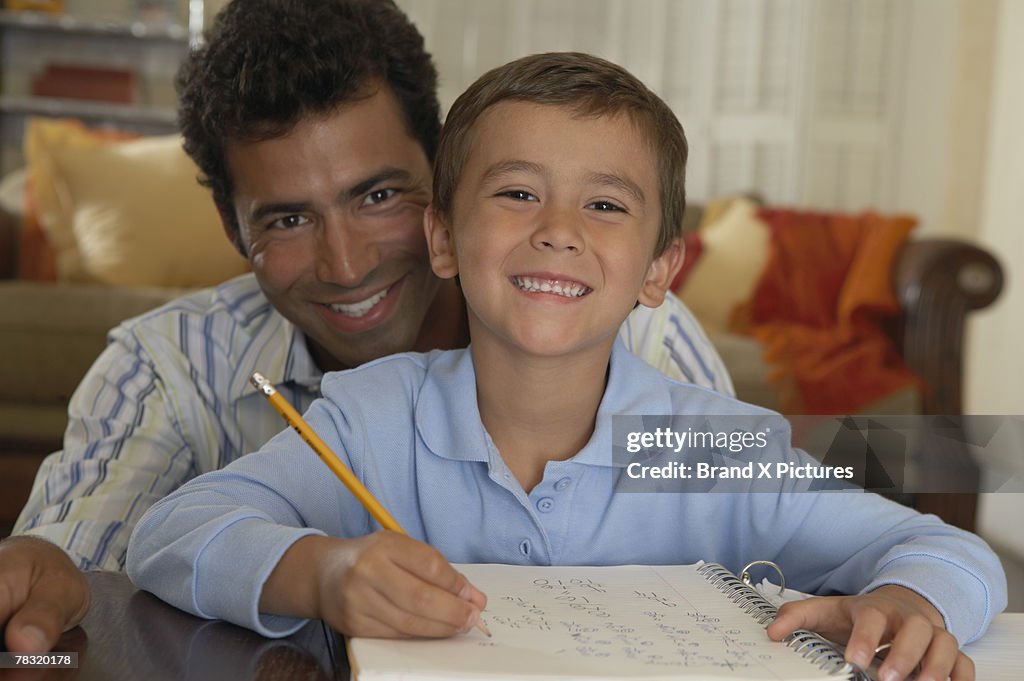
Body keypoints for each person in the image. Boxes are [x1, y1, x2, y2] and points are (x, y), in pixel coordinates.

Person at [127, 52, 1004, 681]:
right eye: (516, 193)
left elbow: (948, 550)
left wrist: (910, 601)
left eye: (606, 204)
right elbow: (171, 533)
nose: (559, 228)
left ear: (661, 269)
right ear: (442, 238)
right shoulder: (369, 419)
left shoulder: (711, 449)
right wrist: (322, 572)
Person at [0, 0, 732, 655]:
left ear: (442, 181)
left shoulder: (641, 339)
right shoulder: (168, 365)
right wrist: (48, 568)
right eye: (288, 218)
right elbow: (72, 563)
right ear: (232, 229)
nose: (346, 265)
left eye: (378, 195)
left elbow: (769, 545)